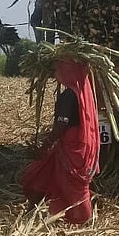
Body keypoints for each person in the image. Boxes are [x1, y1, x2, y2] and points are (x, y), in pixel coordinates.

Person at [21, 60, 100, 224]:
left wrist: (46, 144)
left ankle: (84, 220)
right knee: (44, 175)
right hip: (79, 145)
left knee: (74, 187)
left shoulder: (68, 95)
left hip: (71, 148)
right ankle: (29, 214)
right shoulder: (84, 92)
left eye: (59, 69)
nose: (56, 73)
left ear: (68, 72)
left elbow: (60, 125)